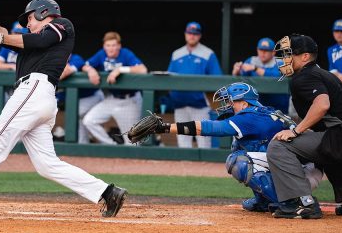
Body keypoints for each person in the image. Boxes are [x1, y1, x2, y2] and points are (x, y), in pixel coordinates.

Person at [0, 0, 127, 217]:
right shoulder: (32, 42)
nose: (27, 24)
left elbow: (38, 40)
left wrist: (1, 37)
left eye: (29, 18)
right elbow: (16, 39)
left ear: (43, 12)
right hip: (38, 97)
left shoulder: (62, 24)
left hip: (34, 90)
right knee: (47, 165)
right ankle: (108, 192)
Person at [136, 82, 322, 212]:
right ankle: (265, 201)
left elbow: (210, 128)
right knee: (240, 147)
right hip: (296, 167)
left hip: (300, 173)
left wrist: (166, 127)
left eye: (232, 102)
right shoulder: (262, 112)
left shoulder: (251, 116)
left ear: (244, 103)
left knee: (240, 161)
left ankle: (291, 201)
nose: (229, 106)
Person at [268, 34, 342, 219]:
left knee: (279, 146)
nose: (285, 59)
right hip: (337, 136)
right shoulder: (321, 73)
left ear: (305, 56)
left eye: (289, 54)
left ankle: (303, 202)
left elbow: (322, 104)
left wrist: (296, 130)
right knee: (322, 142)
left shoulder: (304, 76)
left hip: (338, 137)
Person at [82, 31, 147, 145]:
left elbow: (143, 70)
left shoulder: (125, 53)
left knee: (132, 142)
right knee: (89, 121)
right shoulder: (101, 54)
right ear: (104, 46)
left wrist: (121, 69)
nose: (111, 48)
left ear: (119, 46)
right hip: (111, 99)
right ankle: (111, 145)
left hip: (130, 101)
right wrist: (90, 70)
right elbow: (85, 65)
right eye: (108, 45)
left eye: (113, 45)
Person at [167, 22, 222, 148]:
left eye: (195, 34)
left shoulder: (208, 54)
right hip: (180, 105)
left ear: (199, 36)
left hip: (200, 106)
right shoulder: (176, 54)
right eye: (190, 33)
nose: (192, 36)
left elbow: (217, 80)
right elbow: (168, 79)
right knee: (183, 143)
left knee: (204, 143)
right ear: (185, 34)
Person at [232, 37, 289, 113]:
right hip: (257, 106)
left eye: (266, 50)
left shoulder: (280, 62)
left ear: (273, 52)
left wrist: (255, 68)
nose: (263, 53)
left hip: (278, 107)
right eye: (261, 50)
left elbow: (276, 77)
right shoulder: (251, 60)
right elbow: (241, 77)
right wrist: (236, 71)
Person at [59, 54, 104, 143]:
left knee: (76, 113)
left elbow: (64, 73)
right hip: (77, 99)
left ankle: (106, 144)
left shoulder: (76, 59)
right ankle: (84, 142)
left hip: (92, 95)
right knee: (80, 117)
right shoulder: (51, 59)